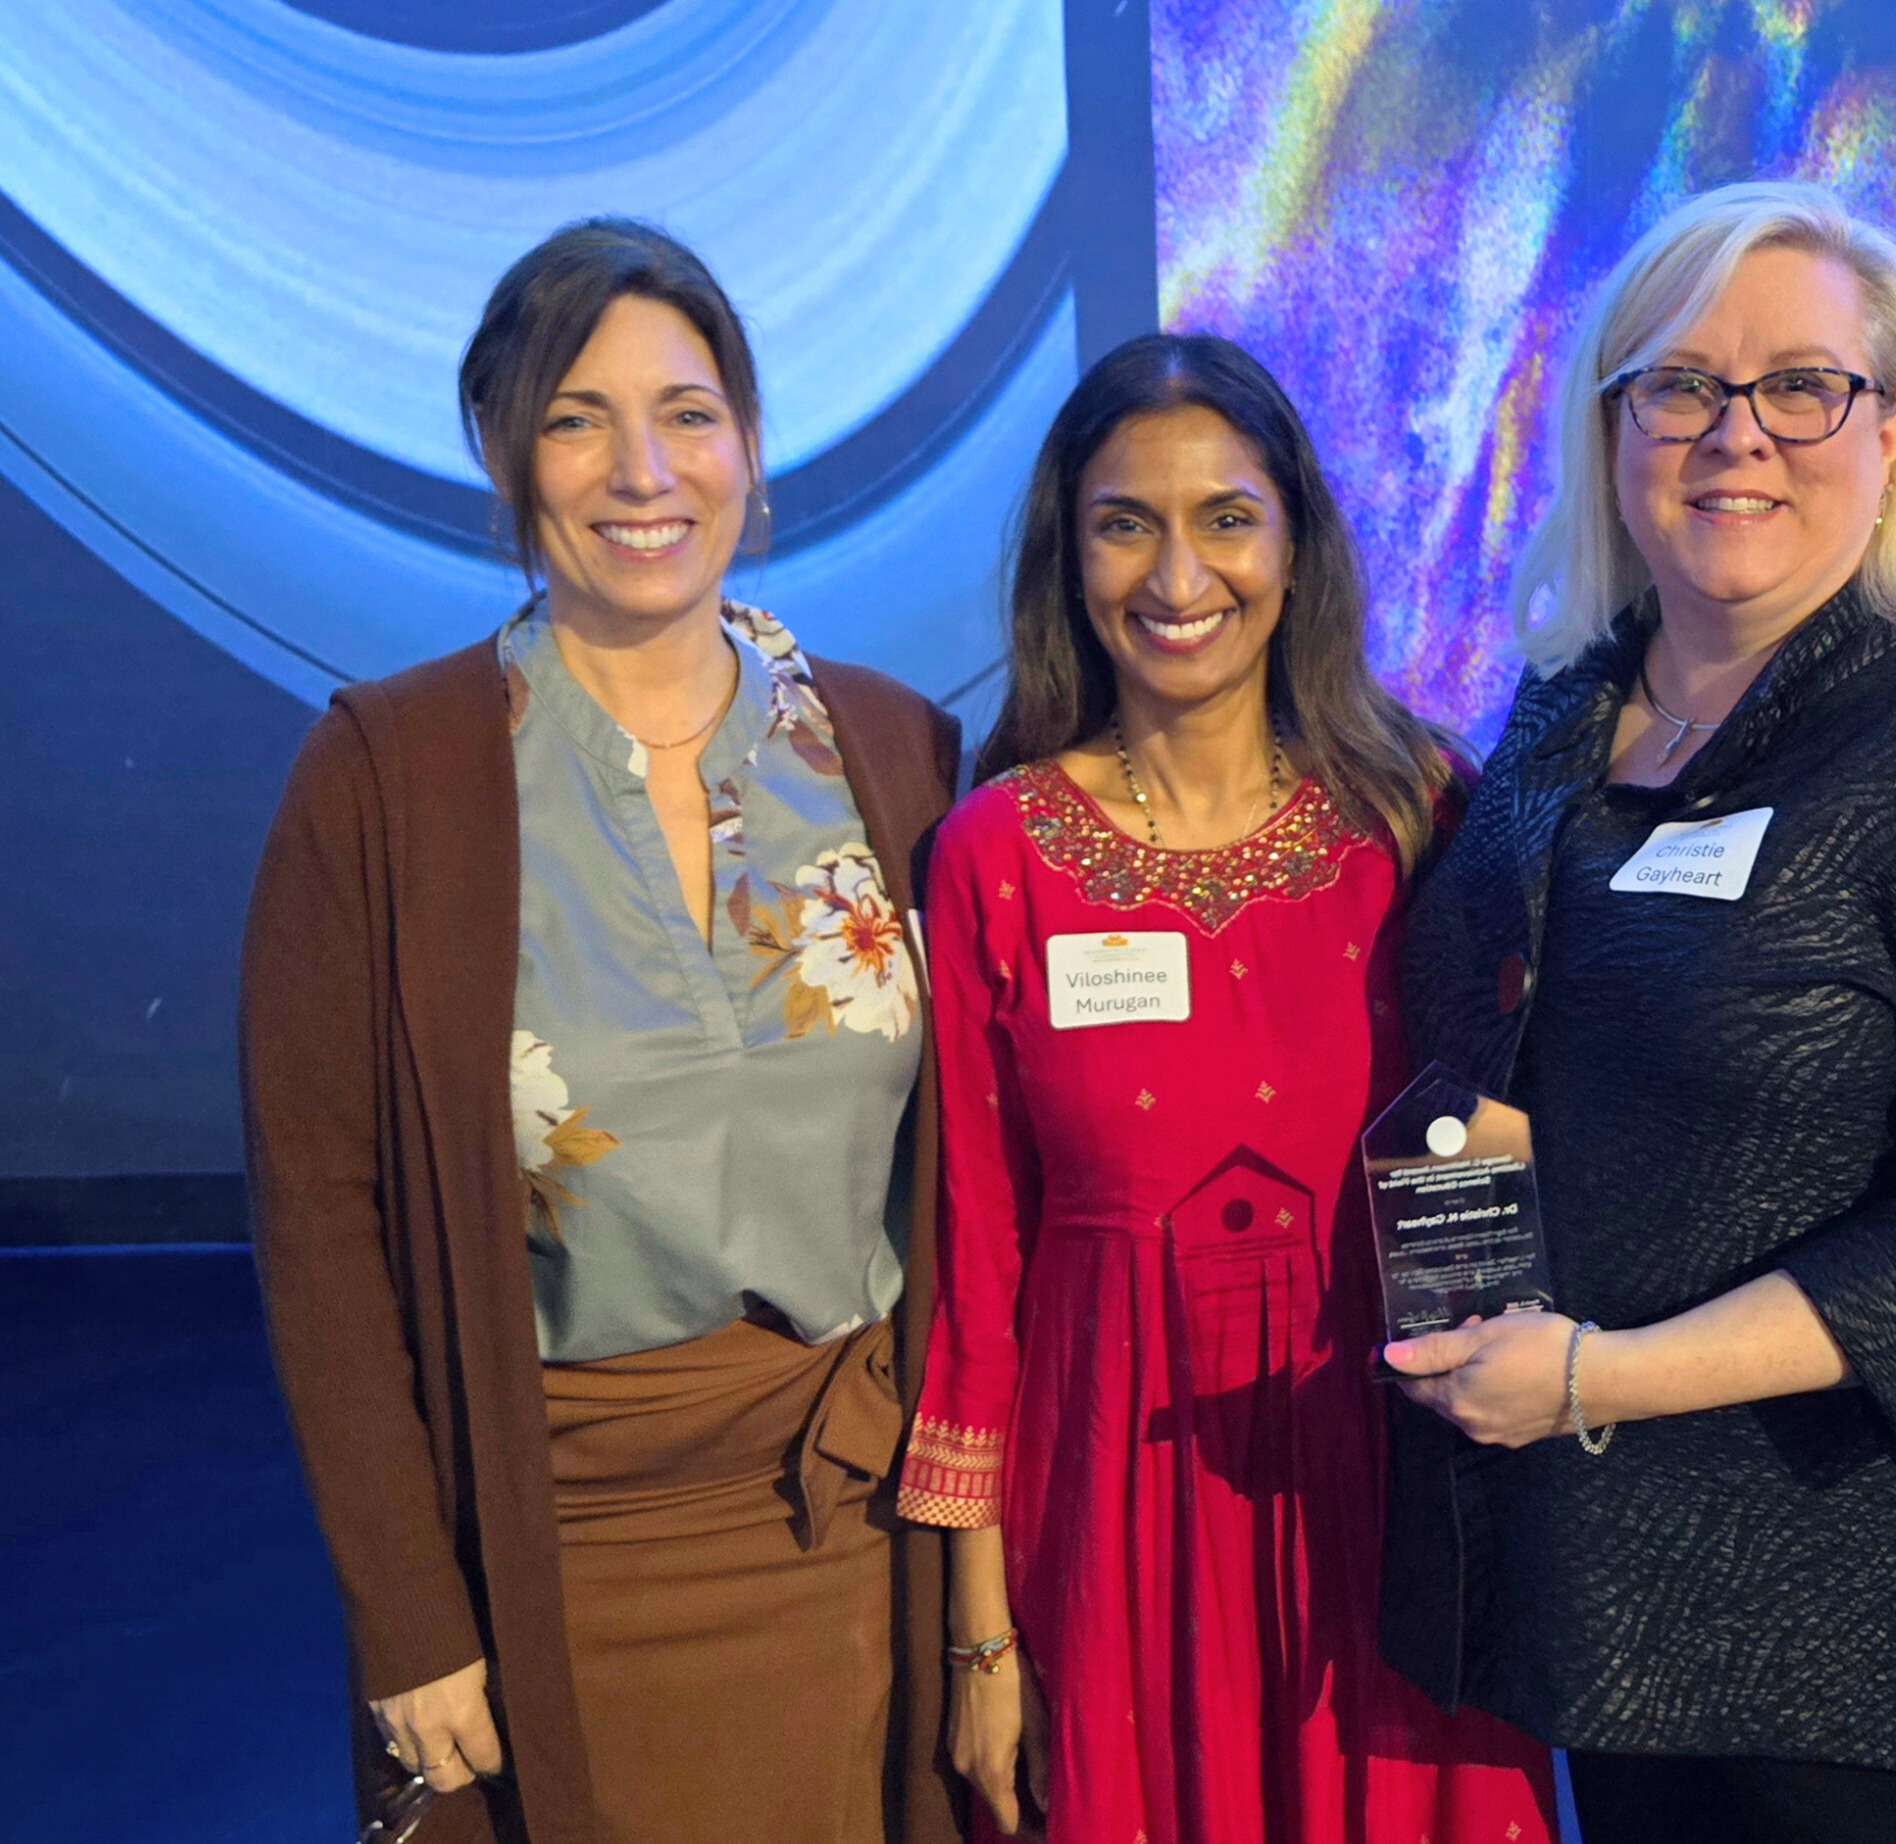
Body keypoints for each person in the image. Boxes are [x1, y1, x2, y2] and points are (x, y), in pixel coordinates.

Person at [1380, 180, 1896, 1843]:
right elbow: (1500, 1050)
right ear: (1613, 430)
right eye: (1679, 384)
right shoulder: (1561, 722)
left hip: (1891, 1610)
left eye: (1800, 384)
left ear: (1891, 431)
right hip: (1610, 1582)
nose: (1735, 434)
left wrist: (1595, 1373)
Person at [241, 218, 966, 1844]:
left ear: (752, 446)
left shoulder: (896, 753)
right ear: (504, 454)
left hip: (853, 1545)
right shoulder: (382, 778)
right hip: (542, 1554)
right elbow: (319, 1226)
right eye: (578, 418)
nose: (644, 469)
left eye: (689, 413)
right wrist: (409, 1621)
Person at [892, 333, 1558, 1842]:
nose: (1175, 573)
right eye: (1125, 522)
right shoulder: (995, 855)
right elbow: (978, 1266)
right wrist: (980, 1640)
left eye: (1224, 518)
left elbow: (1498, 1172)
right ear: (1069, 555)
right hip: (1109, 1499)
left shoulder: (1417, 814)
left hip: (1385, 1491)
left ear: (1294, 542)